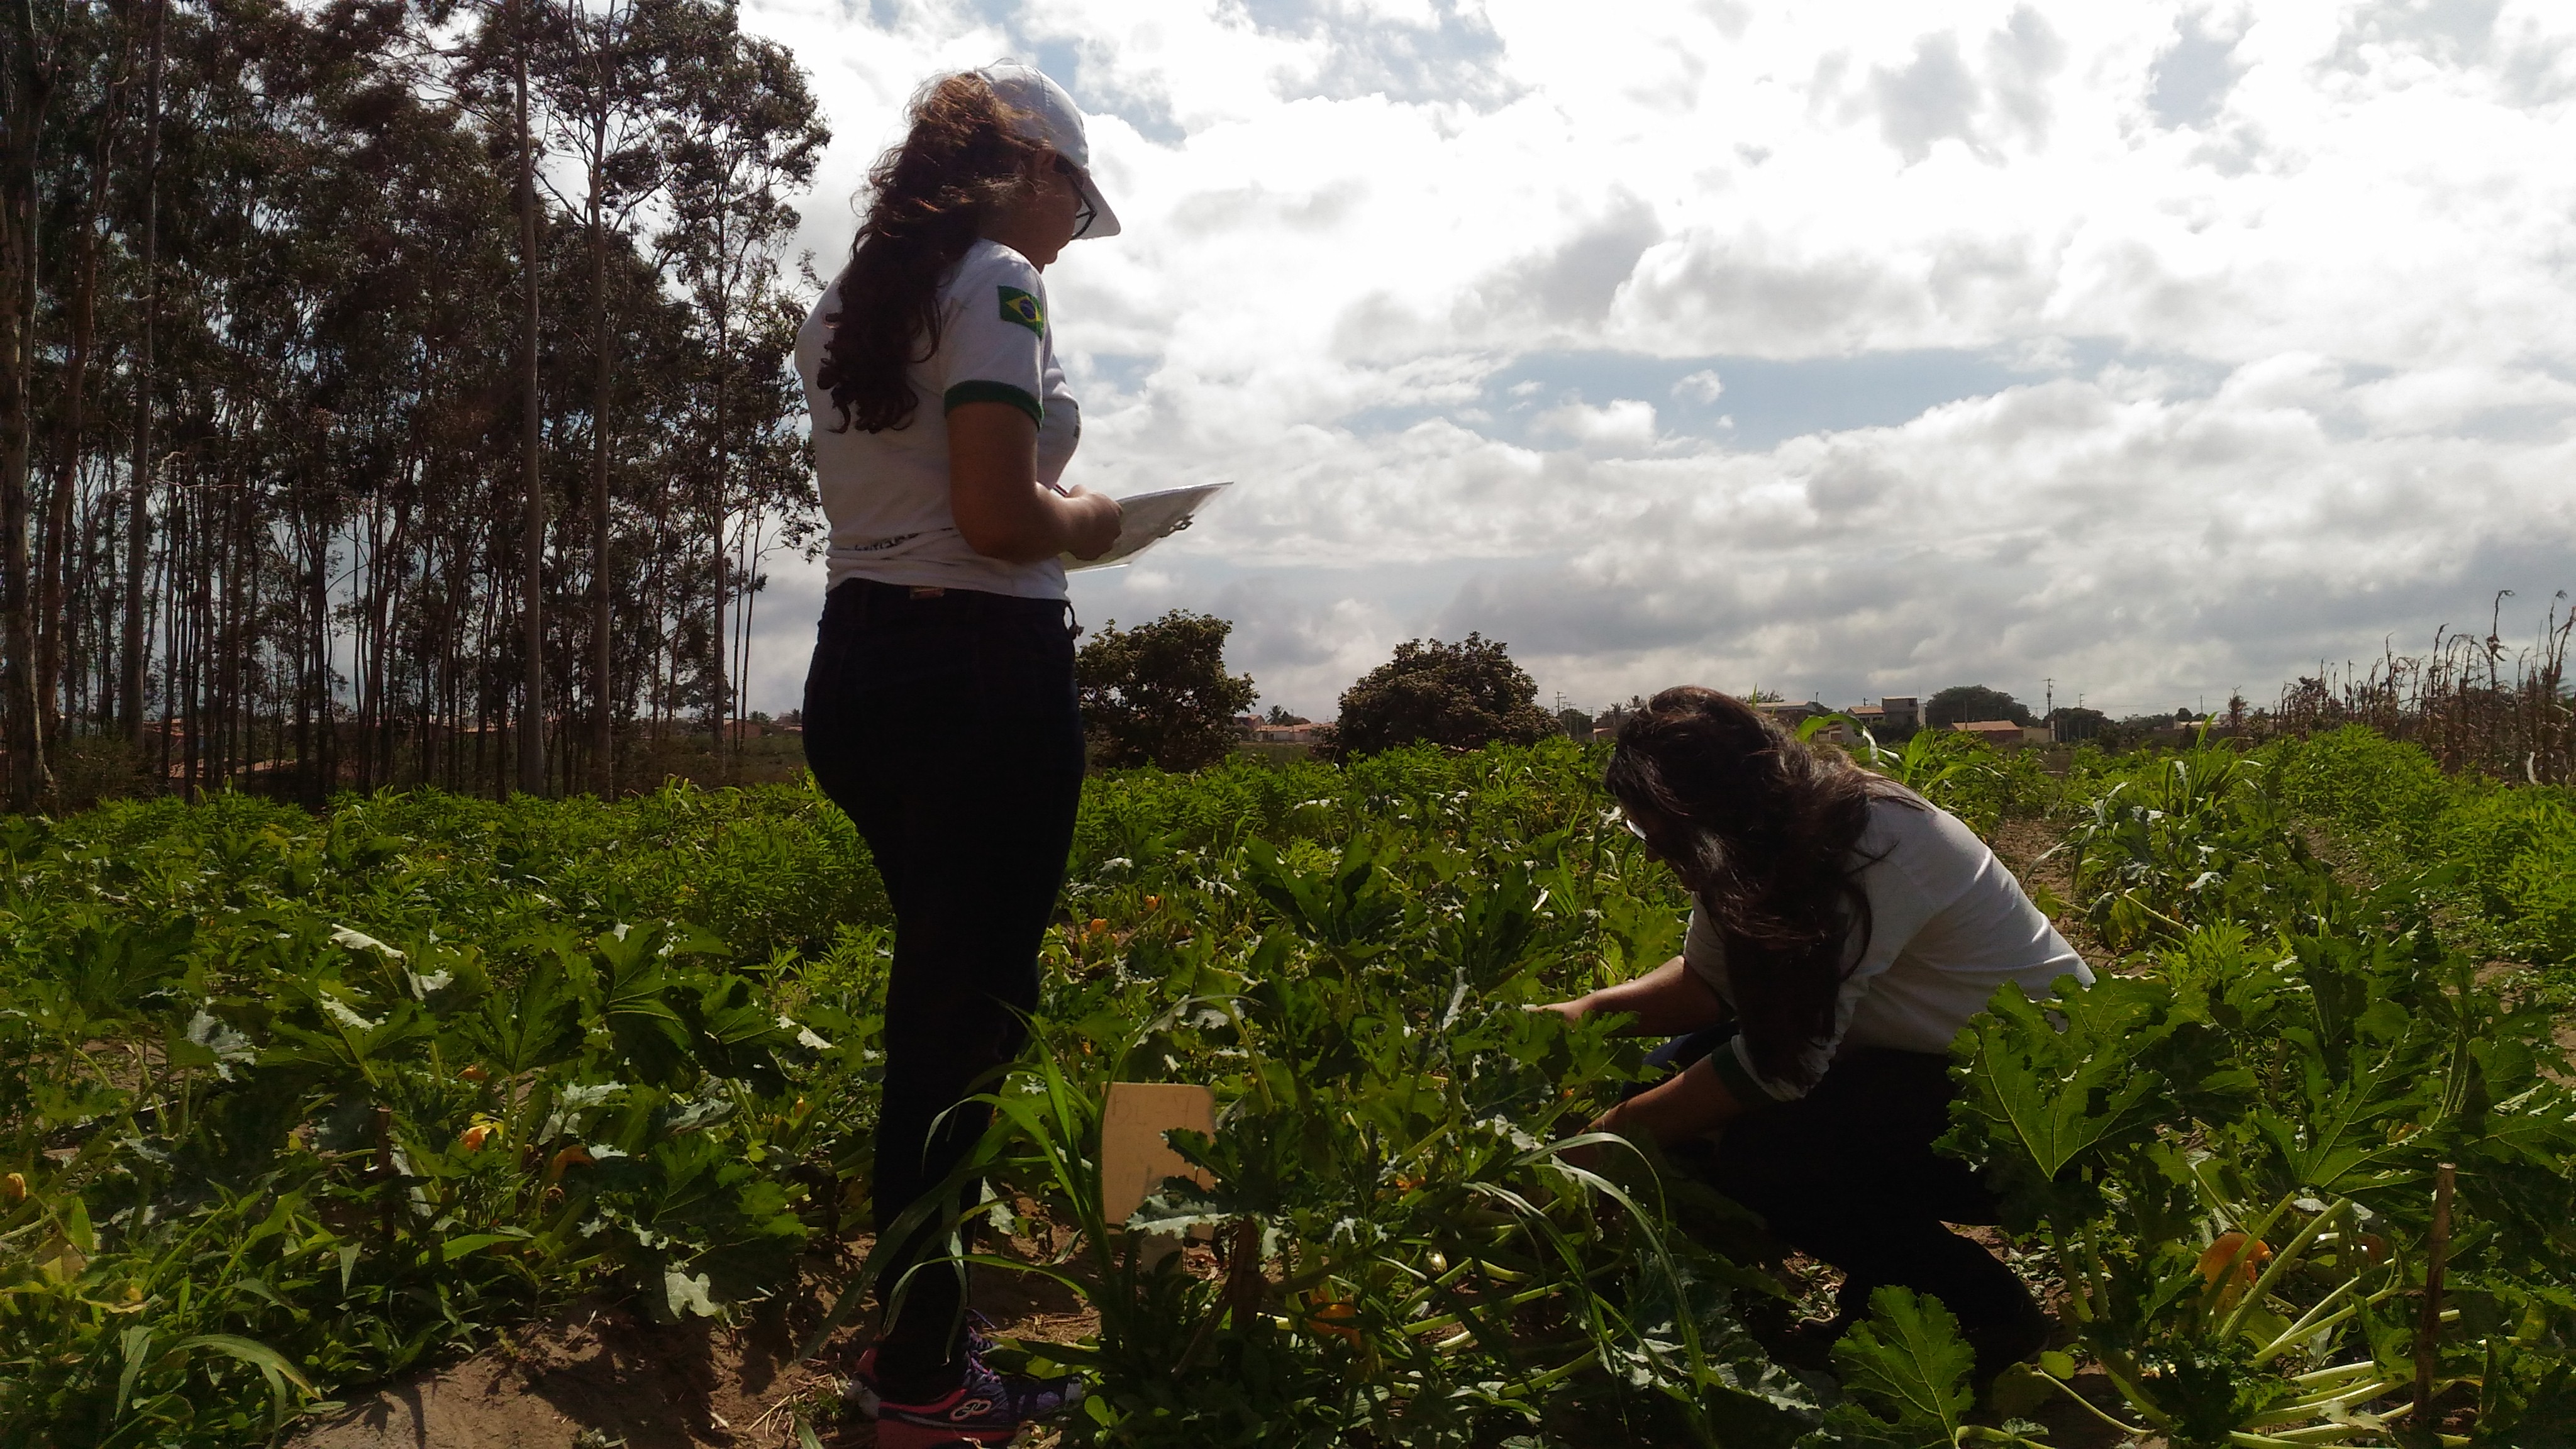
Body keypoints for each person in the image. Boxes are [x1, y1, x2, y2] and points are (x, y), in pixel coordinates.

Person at [794, 62, 1123, 1447]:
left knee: (950, 1001)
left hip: (863, 665)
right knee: (961, 1028)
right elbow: (997, 517)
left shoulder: (851, 299)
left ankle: (925, 1328)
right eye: (1076, 202)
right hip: (976, 670)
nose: (1071, 233)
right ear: (1033, 168)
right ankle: (923, 1385)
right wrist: (1099, 518)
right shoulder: (997, 281)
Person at [1536, 687, 2089, 1384]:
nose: (1652, 859)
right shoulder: (1757, 836)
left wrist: (1602, 1143)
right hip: (1922, 1069)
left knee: (1769, 1151)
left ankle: (1985, 1312)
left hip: (2042, 1111)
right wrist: (1572, 1017)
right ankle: (1882, 1293)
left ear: (1709, 814)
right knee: (1665, 1076)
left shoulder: (1869, 846)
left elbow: (1778, 1065)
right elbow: (1707, 986)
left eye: (1663, 839)